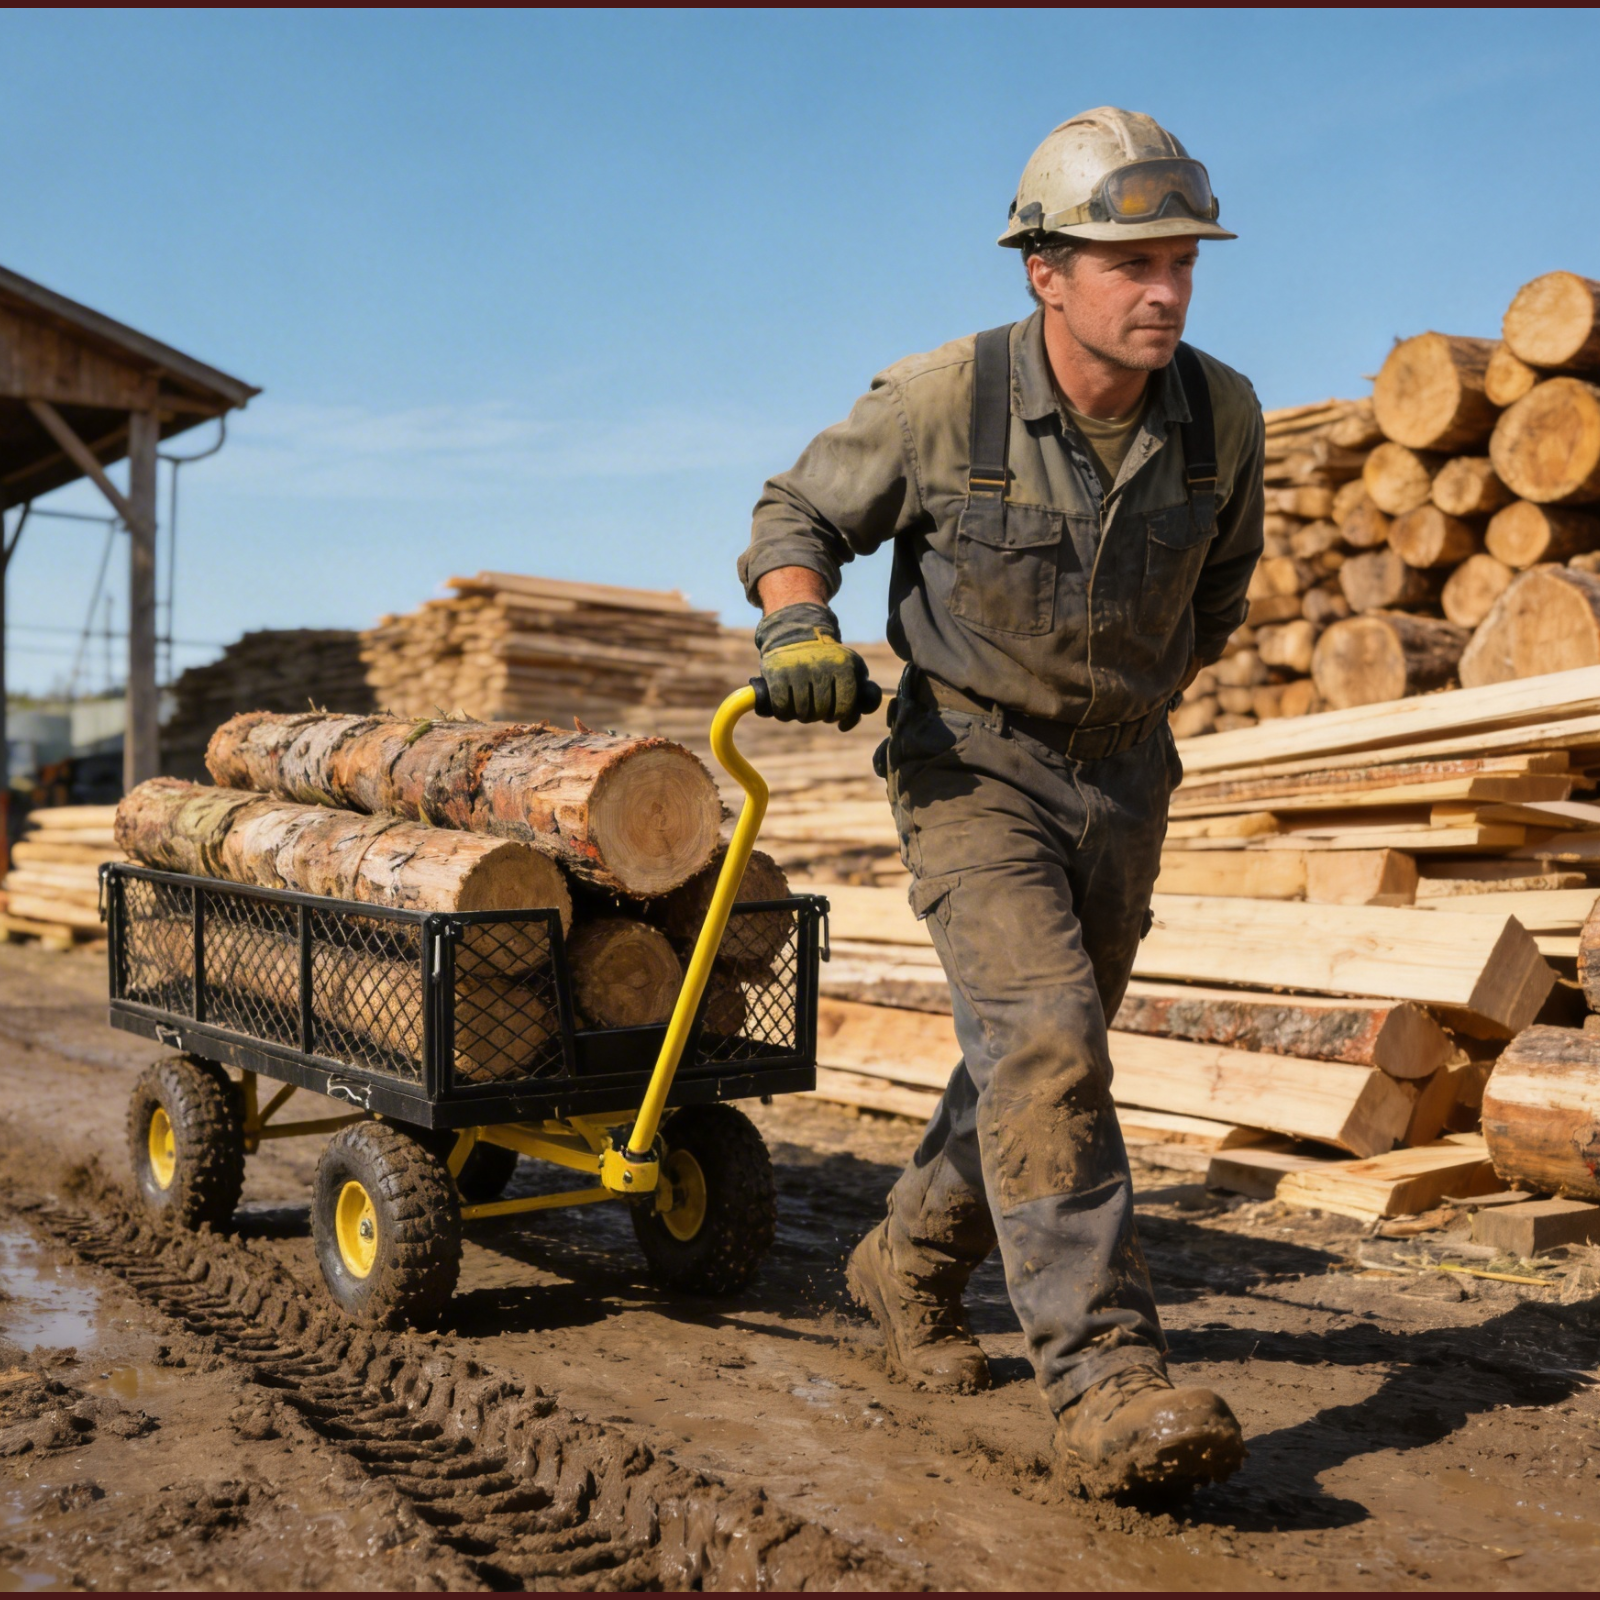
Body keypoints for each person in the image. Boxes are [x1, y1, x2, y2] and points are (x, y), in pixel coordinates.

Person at [738, 108, 1264, 1496]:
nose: (1165, 291)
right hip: (969, 766)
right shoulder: (942, 402)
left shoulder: (1224, 415)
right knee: (1047, 1047)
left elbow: (1218, 598)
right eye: (1131, 263)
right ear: (1046, 270)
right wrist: (799, 629)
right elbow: (797, 518)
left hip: (1127, 774)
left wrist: (1127, 710)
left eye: (1183, 264)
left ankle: (902, 1263)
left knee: (1037, 1056)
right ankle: (1103, 1382)